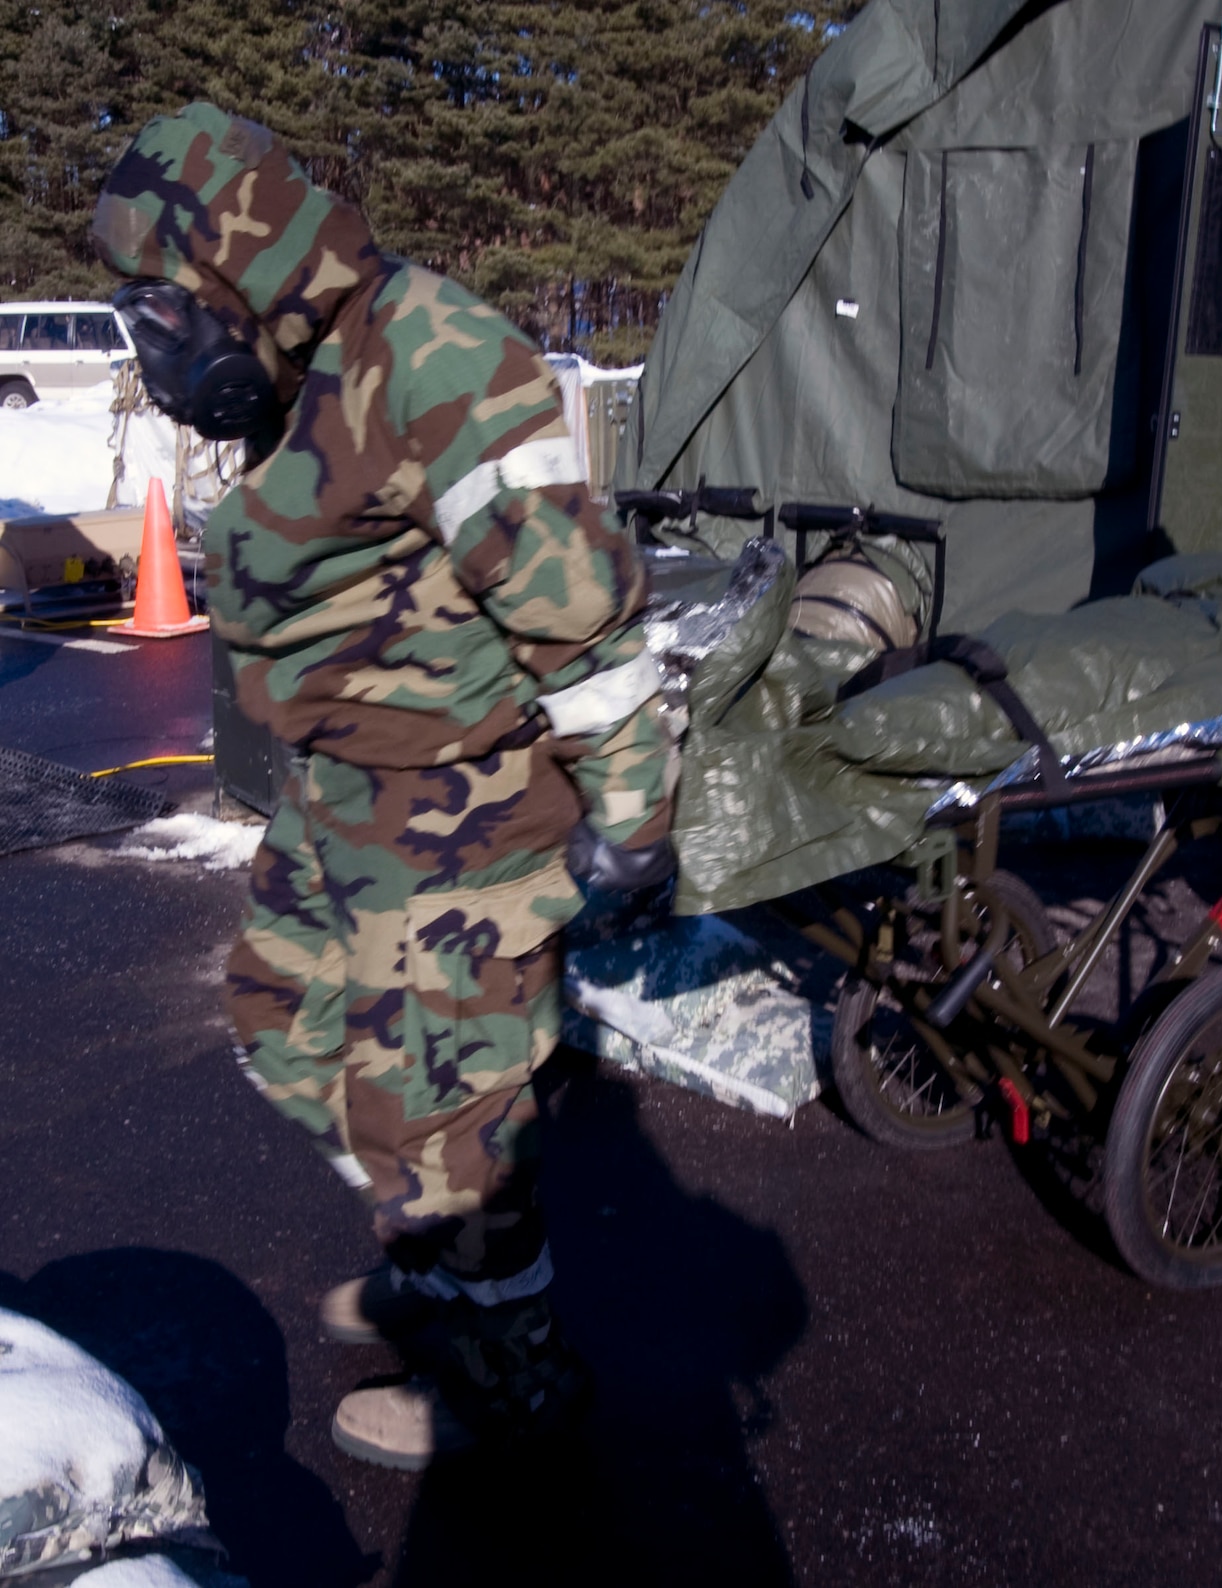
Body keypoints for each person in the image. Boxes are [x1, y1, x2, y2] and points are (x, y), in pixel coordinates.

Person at [92, 104, 677, 1467]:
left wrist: (635, 816)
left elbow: (579, 614)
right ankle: (430, 1258)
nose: (159, 353)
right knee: (282, 1016)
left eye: (166, 314)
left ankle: (510, 1380)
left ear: (243, 271)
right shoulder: (303, 363)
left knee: (452, 1113)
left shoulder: (437, 358)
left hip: (463, 812)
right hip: (346, 789)